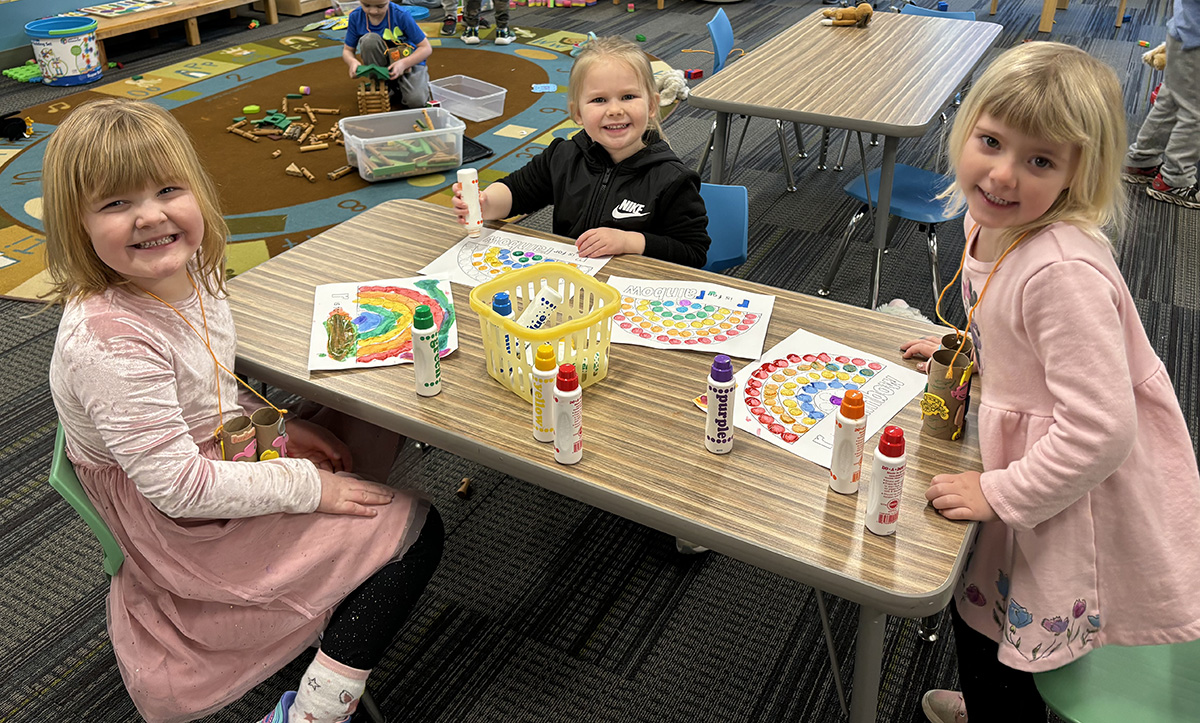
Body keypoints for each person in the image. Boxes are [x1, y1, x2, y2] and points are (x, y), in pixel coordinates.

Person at [43, 97, 443, 723]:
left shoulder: (190, 271)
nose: (150, 216)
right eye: (116, 203)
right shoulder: (108, 340)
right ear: (79, 224)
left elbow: (210, 385)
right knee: (417, 529)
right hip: (179, 517)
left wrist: (283, 425)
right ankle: (314, 711)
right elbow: (180, 489)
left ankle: (332, 569)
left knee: (373, 412)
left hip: (214, 449)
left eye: (167, 190)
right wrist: (308, 487)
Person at [898, 42, 1200, 723]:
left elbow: (1102, 430)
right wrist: (974, 351)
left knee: (1009, 635)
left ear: (1076, 173)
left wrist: (1001, 491)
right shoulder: (989, 221)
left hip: (1070, 483)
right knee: (992, 609)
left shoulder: (1061, 272)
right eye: (991, 142)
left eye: (1039, 161)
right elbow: (1017, 329)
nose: (1003, 174)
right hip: (1035, 451)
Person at [451, 36, 711, 268]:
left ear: (652, 106)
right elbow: (517, 192)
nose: (615, 110)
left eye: (628, 97)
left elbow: (693, 253)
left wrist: (629, 241)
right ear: (577, 113)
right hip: (570, 283)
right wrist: (484, 203)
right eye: (599, 100)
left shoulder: (672, 179)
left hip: (632, 290)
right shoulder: (562, 156)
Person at [1122, 0, 1199, 208]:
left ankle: (1141, 160)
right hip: (1195, 38)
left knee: (1171, 100)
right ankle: (1175, 179)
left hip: (1184, 31)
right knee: (1195, 113)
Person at [342, 0, 433, 110]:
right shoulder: (356, 16)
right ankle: (382, 83)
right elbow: (347, 50)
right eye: (366, 5)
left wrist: (404, 64)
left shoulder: (401, 15)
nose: (373, 11)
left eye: (380, 6)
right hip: (382, 65)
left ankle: (400, 85)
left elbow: (426, 48)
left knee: (416, 101)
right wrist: (352, 62)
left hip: (408, 63)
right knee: (369, 40)